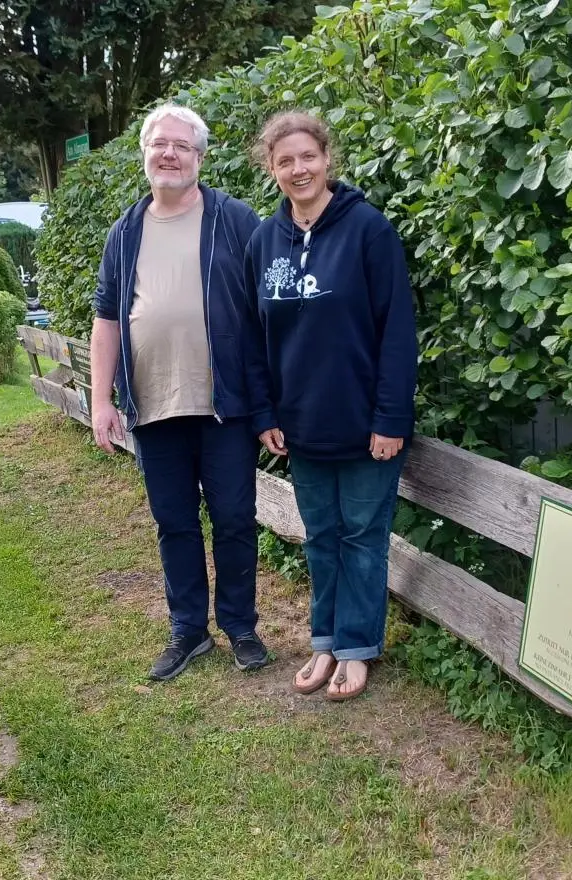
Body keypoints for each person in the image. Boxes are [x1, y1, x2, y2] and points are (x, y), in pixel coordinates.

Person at [89, 103, 272, 681]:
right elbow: (106, 319)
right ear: (144, 153)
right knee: (174, 523)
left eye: (181, 146)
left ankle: (240, 627)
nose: (169, 154)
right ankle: (188, 631)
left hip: (226, 406)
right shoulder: (125, 230)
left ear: (199, 156)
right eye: (159, 144)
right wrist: (101, 400)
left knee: (236, 519)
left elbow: (269, 307)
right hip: (154, 406)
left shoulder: (235, 219)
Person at [244, 111, 418, 702]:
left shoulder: (369, 231)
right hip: (300, 428)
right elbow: (253, 339)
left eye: (308, 157)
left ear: (327, 159)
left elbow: (397, 331)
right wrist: (264, 413)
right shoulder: (264, 242)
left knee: (363, 539)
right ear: (271, 170)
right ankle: (325, 641)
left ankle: (357, 649)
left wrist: (391, 418)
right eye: (285, 161)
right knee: (320, 537)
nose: (299, 169)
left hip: (368, 428)